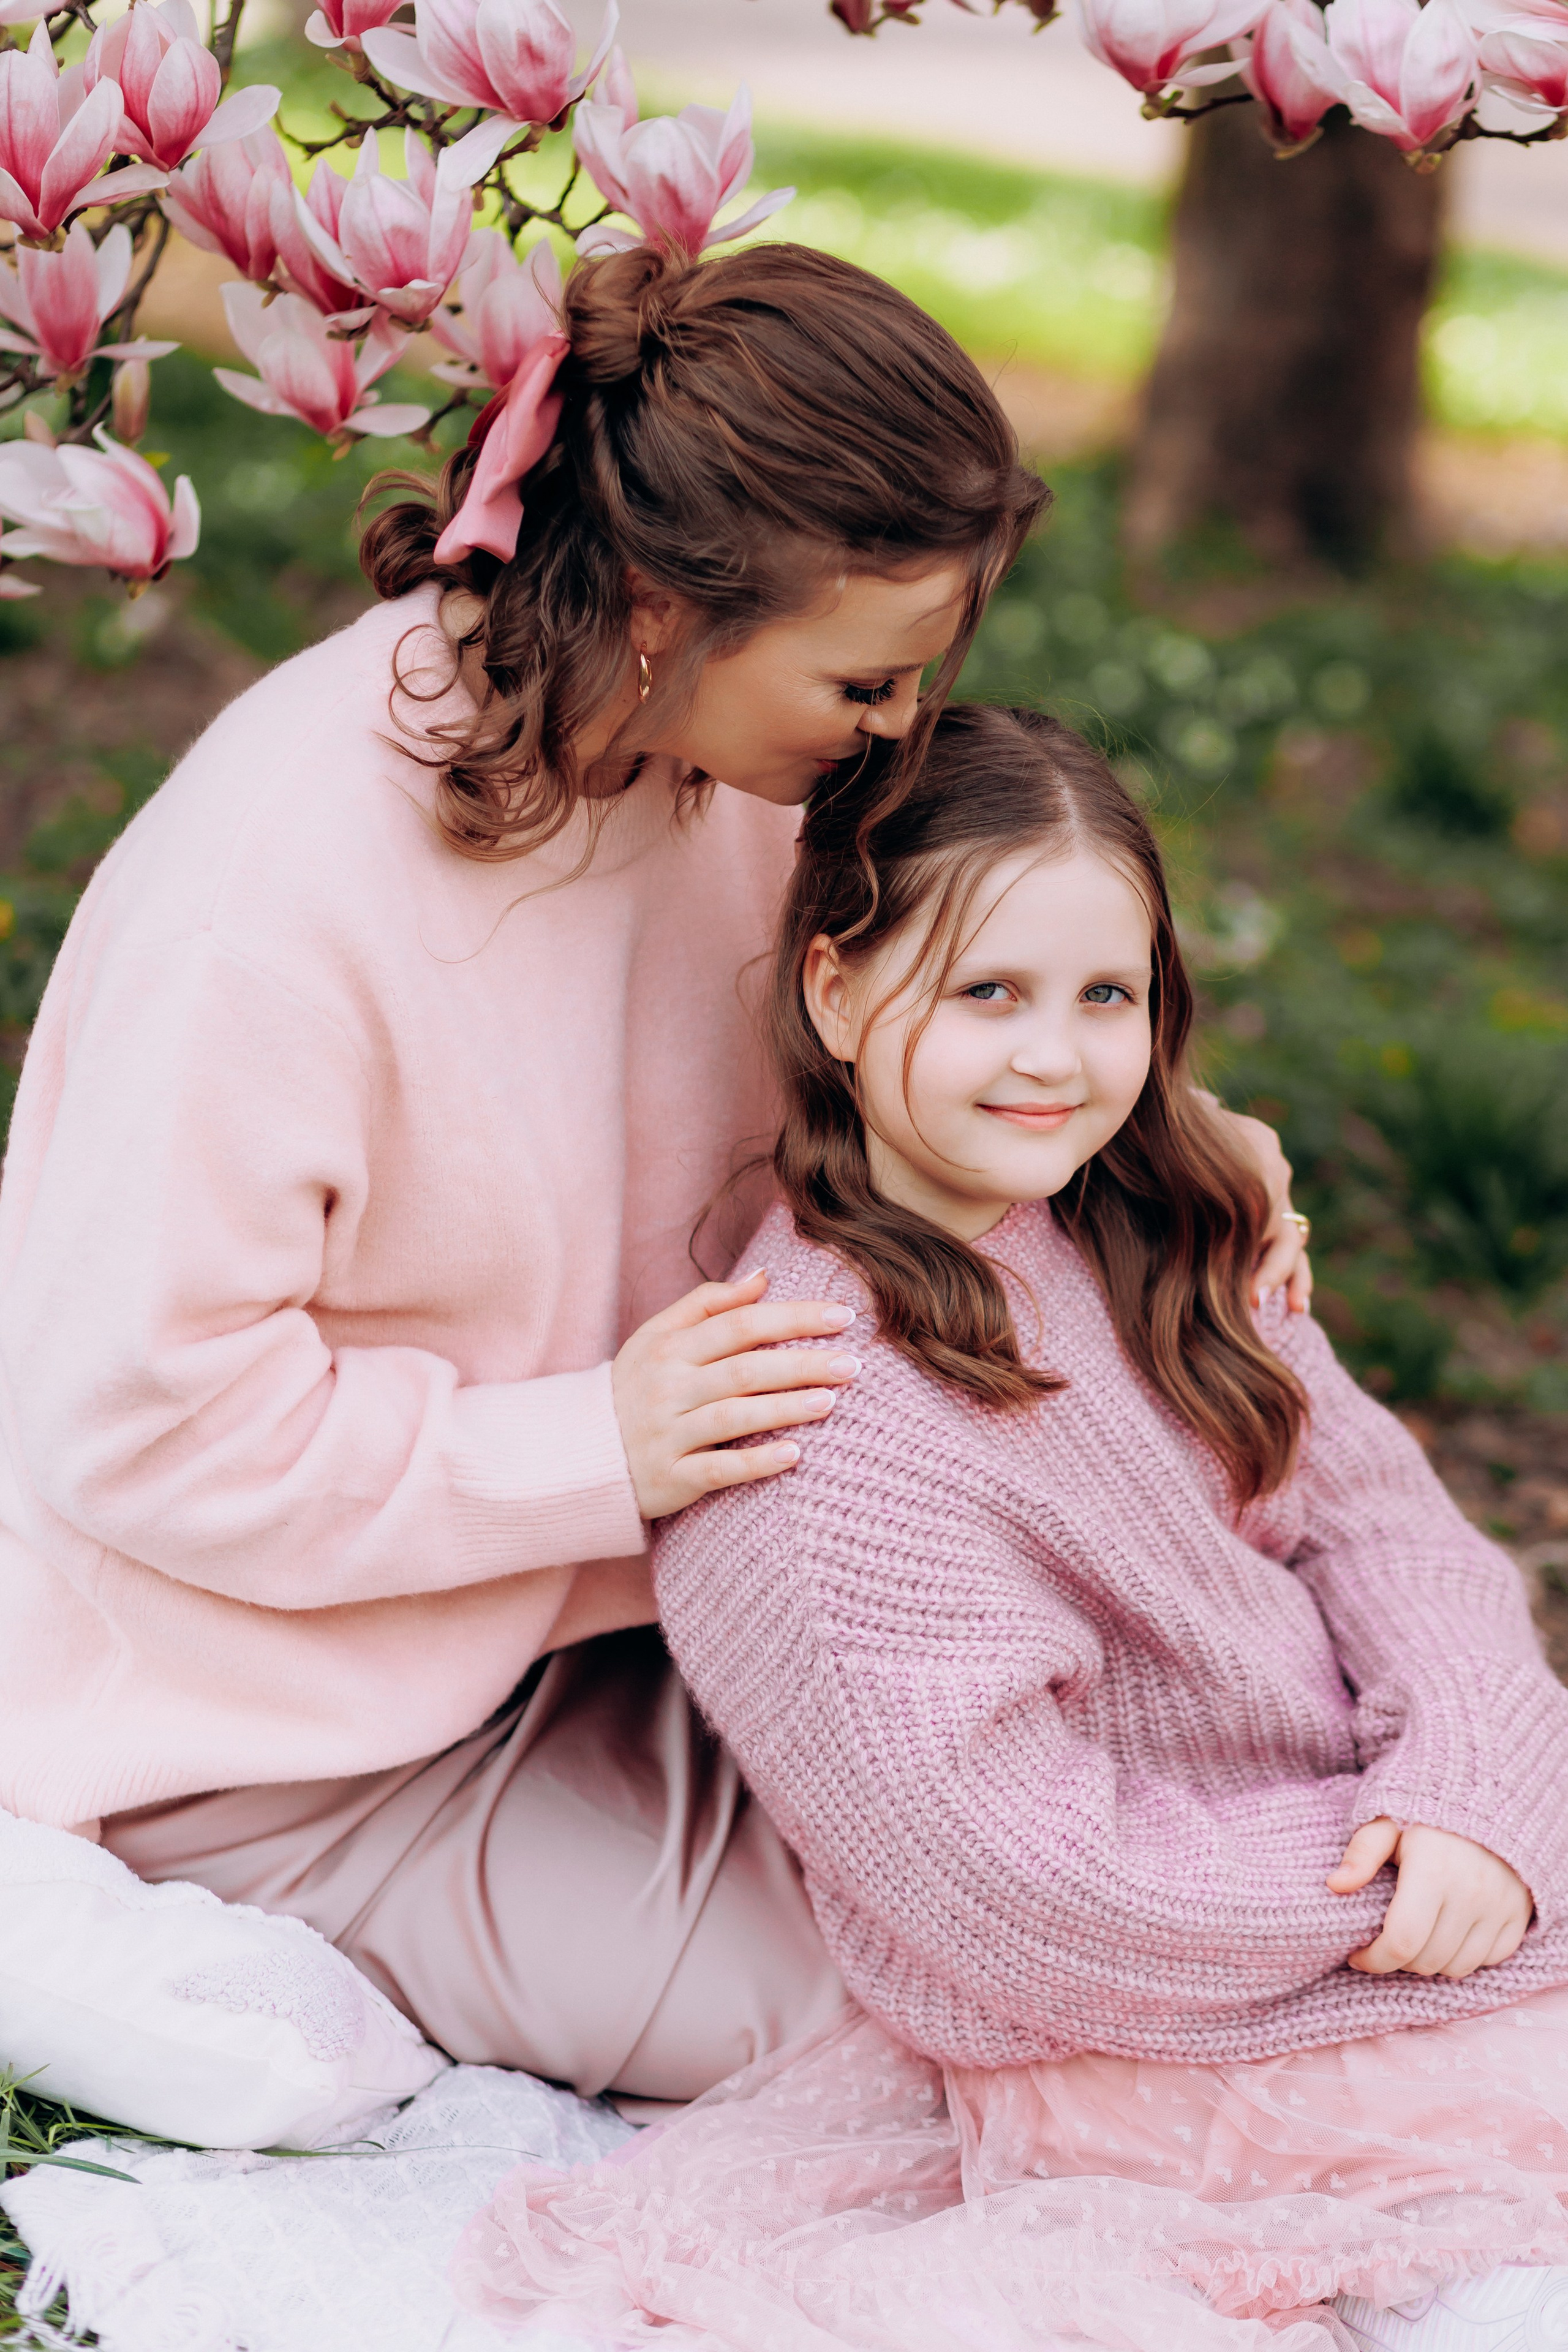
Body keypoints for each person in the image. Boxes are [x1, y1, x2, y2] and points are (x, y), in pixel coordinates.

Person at [0, 247, 1305, 2112]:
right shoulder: (271, 900)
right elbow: (136, 1428)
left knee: (1163, 1872)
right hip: (287, 1725)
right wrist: (592, 1445)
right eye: (865, 678)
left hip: (664, 1615)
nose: (898, 726)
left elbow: (922, 1009)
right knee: (939, 2032)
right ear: (652, 608)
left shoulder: (727, 765)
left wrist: (1165, 1145)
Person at [462, 704, 1568, 2348]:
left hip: (1395, 1866)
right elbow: (1025, 1886)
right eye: (989, 993)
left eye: (1105, 995)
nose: (1057, 1057)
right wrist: (1398, 1887)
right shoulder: (819, 1425)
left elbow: (1382, 1524)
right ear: (835, 991)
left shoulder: (1142, 1219)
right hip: (1161, 2028)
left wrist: (1473, 1784)